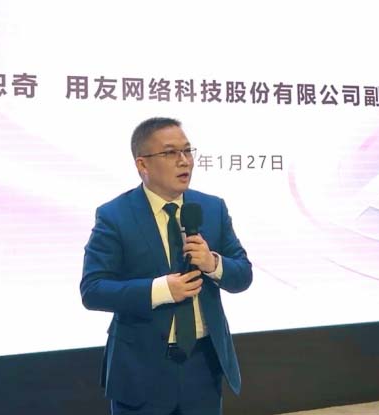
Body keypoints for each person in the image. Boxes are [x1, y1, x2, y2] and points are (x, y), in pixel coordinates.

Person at [81, 117, 253, 415]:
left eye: (187, 151)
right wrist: (160, 290)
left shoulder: (212, 208)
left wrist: (213, 263)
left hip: (203, 366)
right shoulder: (115, 215)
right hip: (142, 368)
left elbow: (243, 274)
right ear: (143, 164)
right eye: (171, 152)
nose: (184, 161)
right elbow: (93, 290)